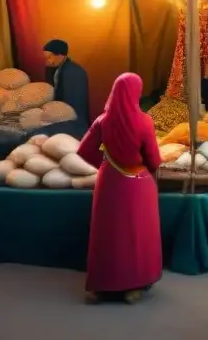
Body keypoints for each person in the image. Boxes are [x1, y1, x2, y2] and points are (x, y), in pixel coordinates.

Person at [76, 73, 162, 304]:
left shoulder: (102, 121)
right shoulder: (144, 121)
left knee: (107, 233)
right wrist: (146, 167)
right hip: (136, 183)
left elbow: (84, 150)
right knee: (135, 233)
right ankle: (132, 287)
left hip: (109, 182)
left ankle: (101, 286)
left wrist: (105, 164)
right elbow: (153, 159)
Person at [43, 39, 90, 137]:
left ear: (60, 55)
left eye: (49, 57)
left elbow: (75, 104)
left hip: (72, 118)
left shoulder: (74, 72)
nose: (47, 60)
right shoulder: (52, 69)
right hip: (57, 113)